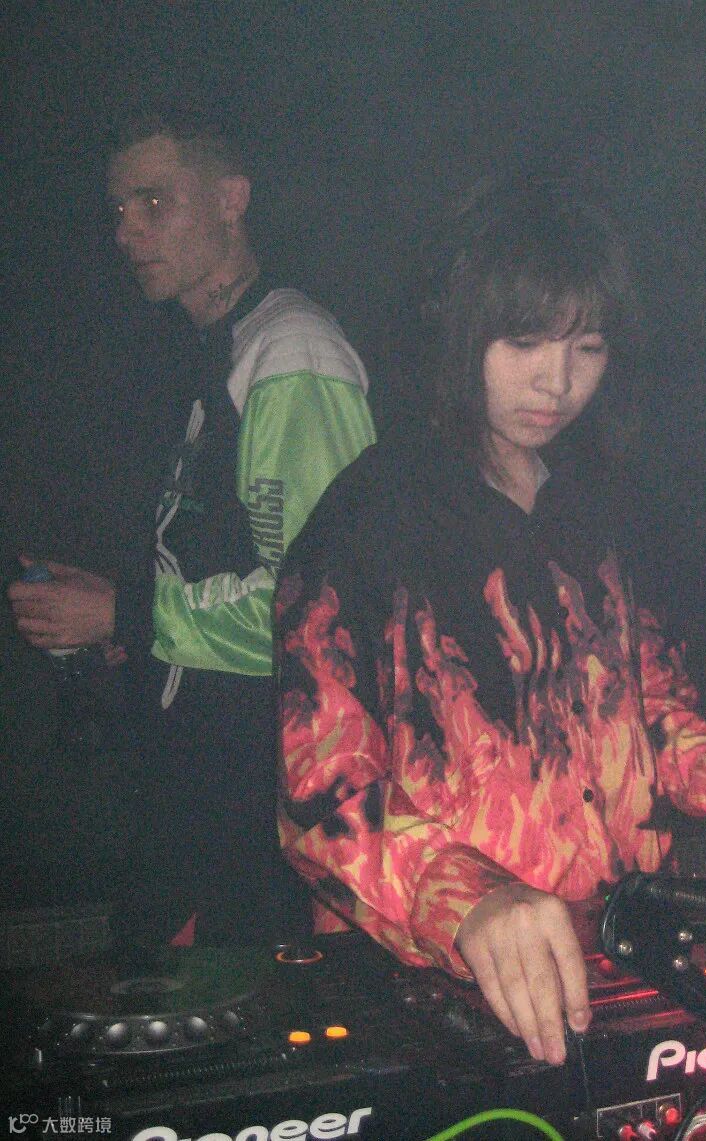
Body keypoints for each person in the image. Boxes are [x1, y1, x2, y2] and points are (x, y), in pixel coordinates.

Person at [272, 179, 706, 1065]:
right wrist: (469, 897)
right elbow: (323, 799)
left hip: (608, 956)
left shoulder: (594, 505)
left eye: (587, 347)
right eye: (524, 343)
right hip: (433, 984)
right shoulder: (367, 523)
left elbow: (648, 706)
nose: (557, 381)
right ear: (459, 333)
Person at [8, 107, 376, 946]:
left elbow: (316, 614)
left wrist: (128, 613)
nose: (126, 232)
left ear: (230, 200)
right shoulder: (214, 350)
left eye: (153, 202)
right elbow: (223, 569)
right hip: (197, 787)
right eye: (118, 210)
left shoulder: (291, 355)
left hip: (260, 806)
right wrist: (123, 622)